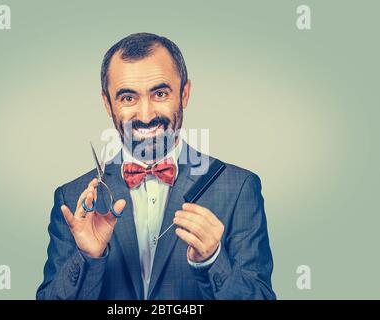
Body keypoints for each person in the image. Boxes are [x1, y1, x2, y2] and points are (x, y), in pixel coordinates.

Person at [36, 32, 276, 300]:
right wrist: (88, 258)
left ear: (184, 94)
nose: (146, 115)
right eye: (128, 98)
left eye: (160, 93)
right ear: (107, 103)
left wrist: (213, 260)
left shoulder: (239, 188)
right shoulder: (71, 198)